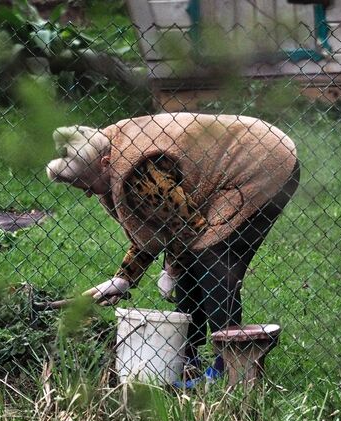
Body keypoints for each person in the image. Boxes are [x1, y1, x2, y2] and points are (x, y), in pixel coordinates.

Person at [46, 113, 300, 383]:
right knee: (196, 256)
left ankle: (228, 366)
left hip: (259, 162)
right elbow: (162, 224)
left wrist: (172, 271)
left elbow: (187, 226)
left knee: (213, 258)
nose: (87, 193)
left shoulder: (139, 170)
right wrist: (124, 278)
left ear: (105, 163)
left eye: (86, 185)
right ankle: (187, 356)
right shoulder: (104, 147)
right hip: (237, 164)